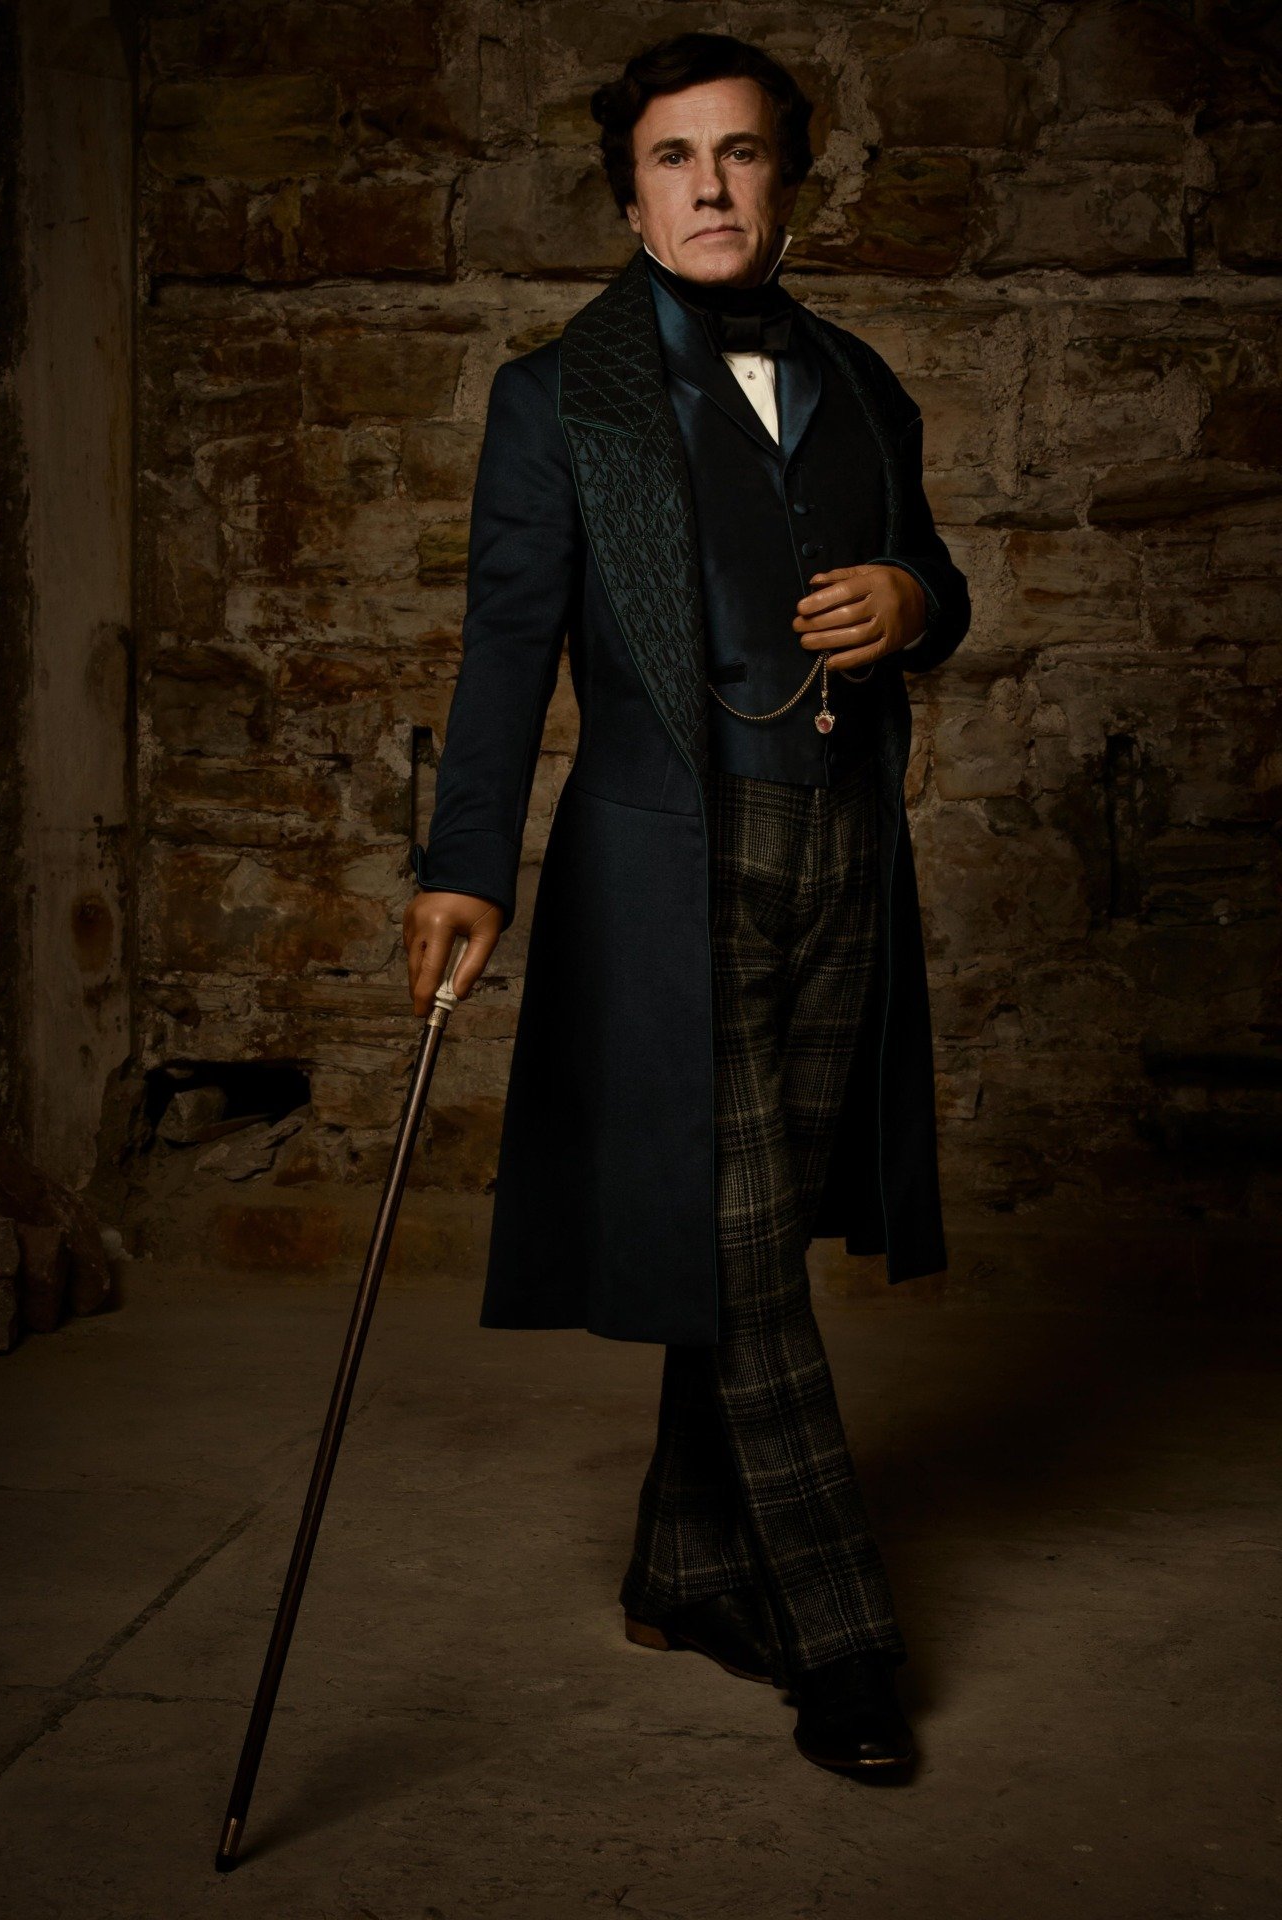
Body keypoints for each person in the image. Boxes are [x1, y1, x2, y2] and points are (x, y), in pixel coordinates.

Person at [402, 31, 970, 1776]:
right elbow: (507, 645)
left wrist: (912, 601)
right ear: (631, 196)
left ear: (786, 179)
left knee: (756, 1234)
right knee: (731, 1235)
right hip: (668, 867)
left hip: (842, 853)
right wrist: (464, 864)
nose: (710, 185)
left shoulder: (863, 380)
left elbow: (941, 578)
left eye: (739, 153)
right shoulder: (556, 397)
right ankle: (840, 1634)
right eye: (673, 157)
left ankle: (680, 1565)